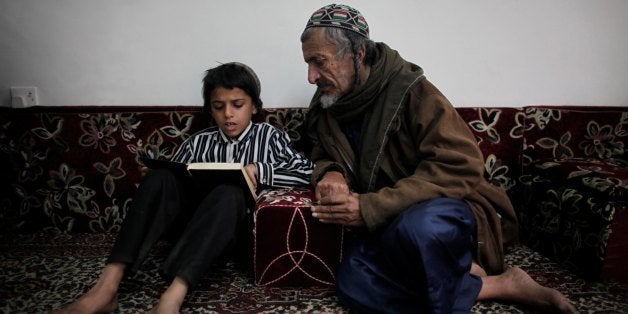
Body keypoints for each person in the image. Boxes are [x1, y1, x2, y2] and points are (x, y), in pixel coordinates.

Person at [301, 4, 578, 313]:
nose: (311, 76)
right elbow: (322, 151)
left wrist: (371, 207)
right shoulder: (328, 102)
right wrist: (331, 173)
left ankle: (452, 263)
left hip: (448, 210)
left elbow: (460, 165)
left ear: (358, 55)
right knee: (353, 279)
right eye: (308, 63)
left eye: (319, 62)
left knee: (419, 228)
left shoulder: (412, 92)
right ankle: (496, 284)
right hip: (387, 227)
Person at [55, 62, 314, 314]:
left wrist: (260, 169)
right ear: (210, 110)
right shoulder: (199, 141)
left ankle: (173, 295)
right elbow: (174, 182)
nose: (228, 114)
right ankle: (106, 288)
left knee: (229, 192)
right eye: (218, 106)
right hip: (190, 227)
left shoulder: (269, 137)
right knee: (160, 178)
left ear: (255, 107)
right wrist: (160, 174)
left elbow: (307, 172)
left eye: (237, 105)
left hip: (236, 232)